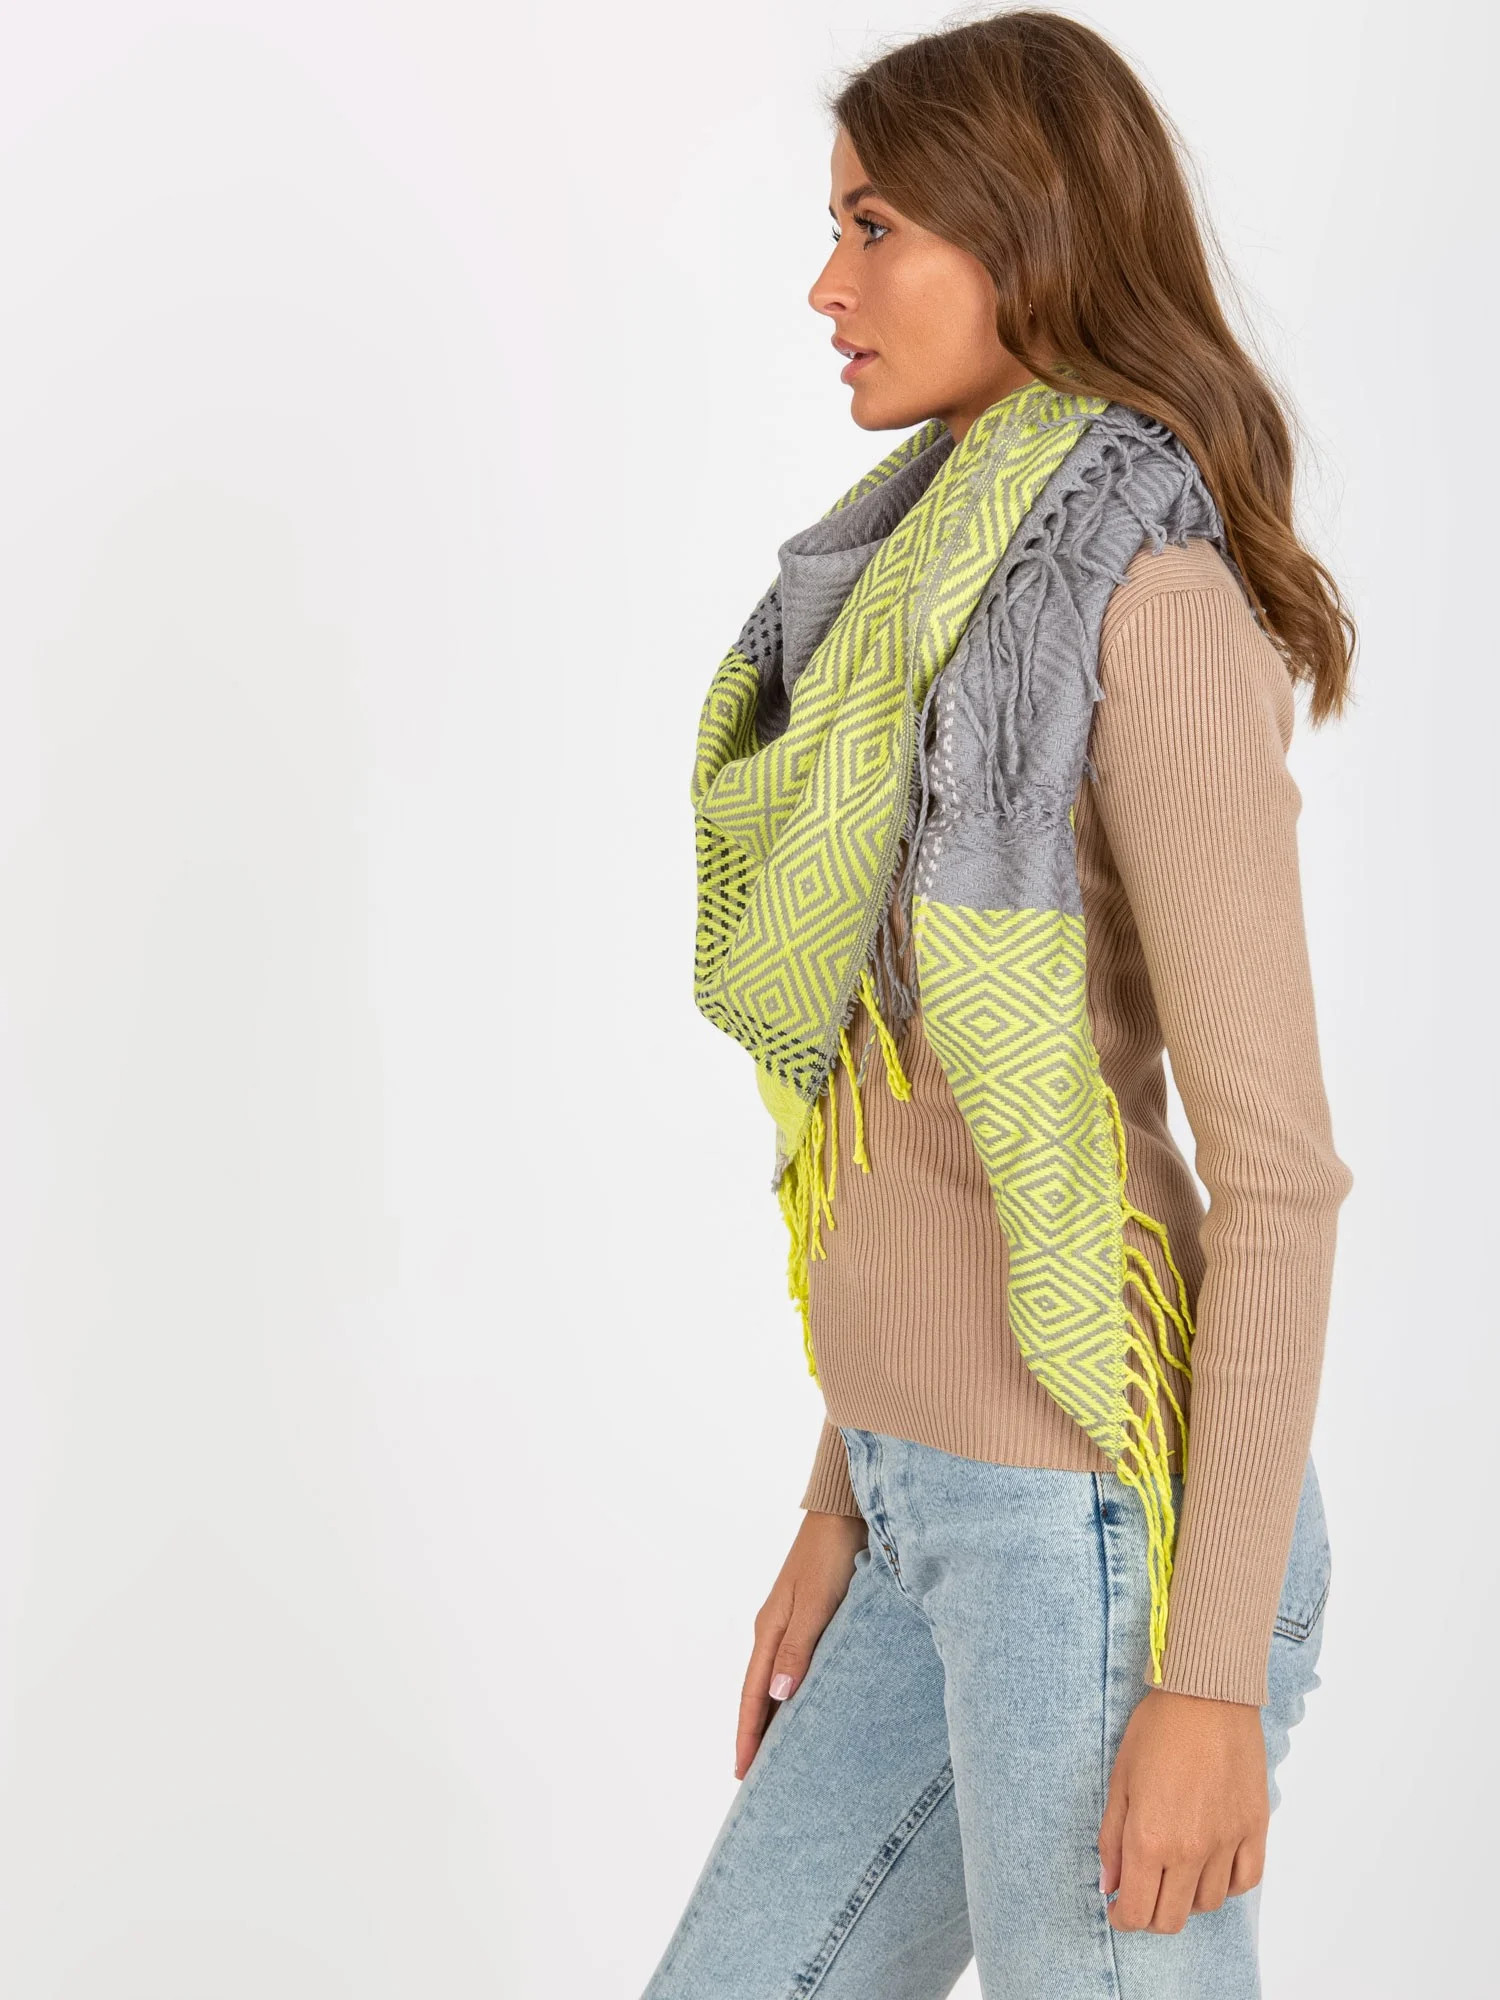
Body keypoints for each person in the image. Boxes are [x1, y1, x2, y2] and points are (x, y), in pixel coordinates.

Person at [645, 11, 1355, 1997]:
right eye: (836, 228)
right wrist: (846, 1492)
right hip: (932, 1507)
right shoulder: (901, 606)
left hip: (1108, 1541)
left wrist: (1207, 1681)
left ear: (1026, 234)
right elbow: (917, 1132)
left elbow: (1280, 1180)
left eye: (875, 227)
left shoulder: (1148, 607)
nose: (828, 285)